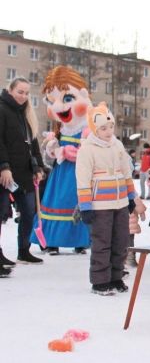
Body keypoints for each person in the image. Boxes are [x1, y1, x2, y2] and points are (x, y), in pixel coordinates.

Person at [76, 103, 137, 295]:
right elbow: (83, 179)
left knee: (121, 241)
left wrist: (131, 197)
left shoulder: (117, 145)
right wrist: (85, 206)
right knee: (102, 242)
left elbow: (127, 173)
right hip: (99, 204)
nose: (108, 131)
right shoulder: (87, 149)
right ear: (94, 129)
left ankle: (116, 277)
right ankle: (100, 280)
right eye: (103, 128)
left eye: (110, 127)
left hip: (120, 203)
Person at [35, 66, 91, 255]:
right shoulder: (62, 129)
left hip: (79, 175)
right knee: (56, 201)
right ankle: (51, 240)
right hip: (60, 175)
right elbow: (52, 154)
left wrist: (66, 152)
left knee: (76, 203)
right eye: (52, 101)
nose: (59, 106)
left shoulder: (87, 128)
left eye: (67, 99)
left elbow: (88, 152)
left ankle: (79, 240)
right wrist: (52, 148)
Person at [0, 77, 46, 268]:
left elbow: (33, 143)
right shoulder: (2, 110)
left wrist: (38, 167)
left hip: (25, 172)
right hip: (6, 173)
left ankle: (23, 250)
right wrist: (4, 166)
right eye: (20, 92)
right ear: (10, 90)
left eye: (27, 93)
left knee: (28, 211)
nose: (24, 96)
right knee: (1, 213)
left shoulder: (25, 114)